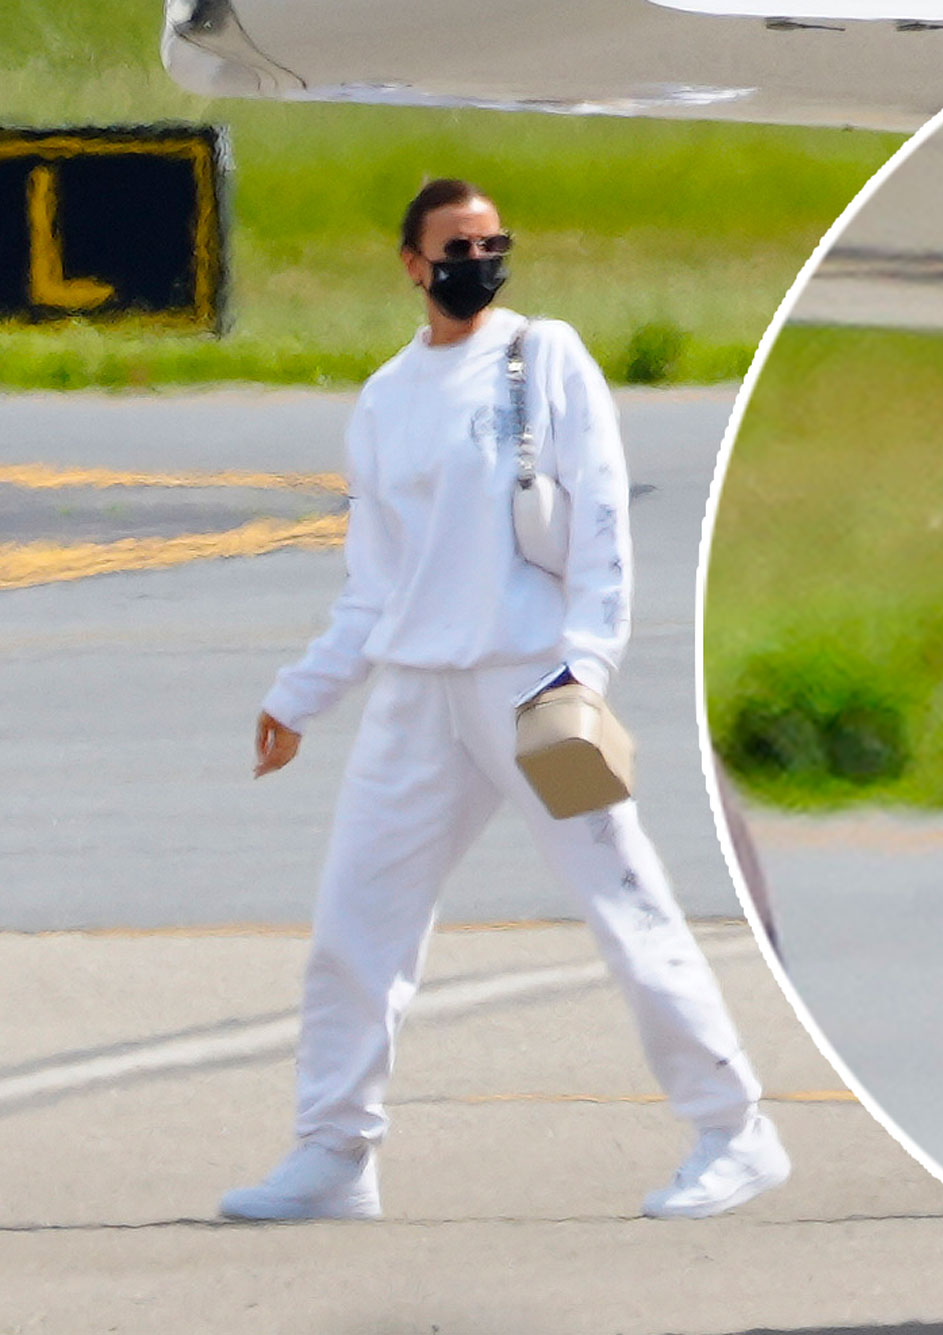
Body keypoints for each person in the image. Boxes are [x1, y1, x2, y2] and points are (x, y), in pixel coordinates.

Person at [221, 178, 789, 1222]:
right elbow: (372, 582)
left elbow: (602, 518)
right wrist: (299, 697)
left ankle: (732, 1127)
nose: (476, 261)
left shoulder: (546, 358)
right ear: (410, 263)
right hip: (415, 699)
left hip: (539, 687)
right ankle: (334, 1152)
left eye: (491, 243)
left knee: (624, 898)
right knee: (356, 921)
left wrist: (588, 663)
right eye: (454, 246)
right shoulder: (387, 396)